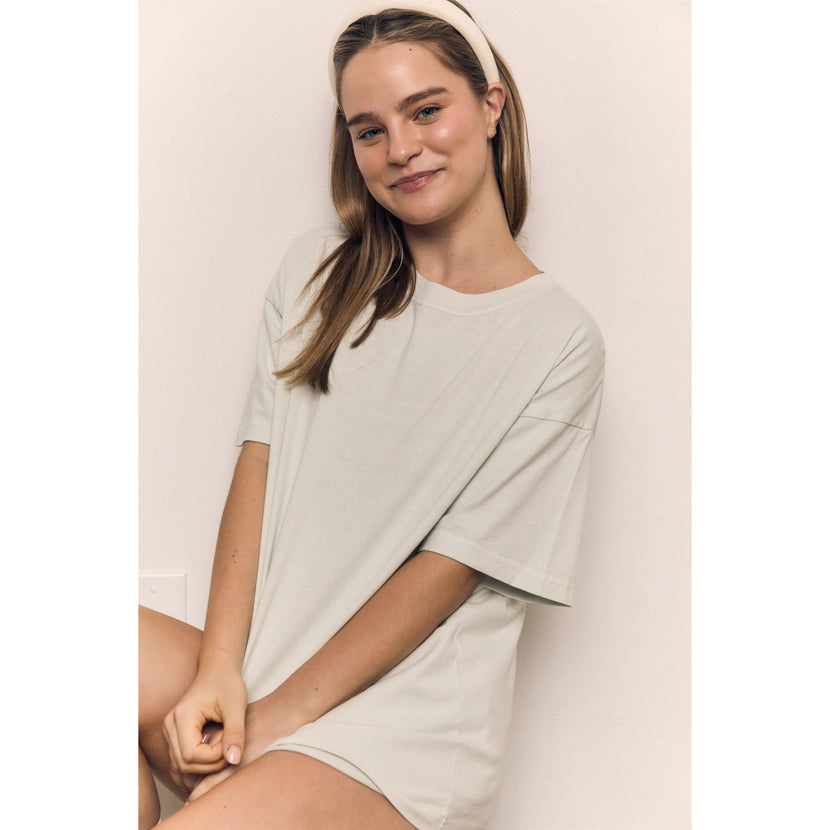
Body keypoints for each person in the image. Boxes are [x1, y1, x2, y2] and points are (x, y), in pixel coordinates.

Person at [138, 1, 604, 828]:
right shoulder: (316, 272)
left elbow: (448, 571)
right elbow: (259, 464)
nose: (401, 149)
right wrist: (219, 671)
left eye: (426, 110)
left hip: (401, 731)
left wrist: (277, 725)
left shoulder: (558, 341)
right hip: (262, 667)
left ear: (490, 105)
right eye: (369, 129)